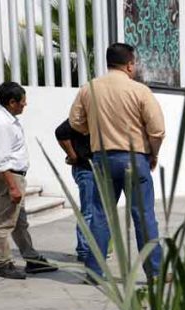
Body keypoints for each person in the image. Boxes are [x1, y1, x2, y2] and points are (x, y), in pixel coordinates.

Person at [69, 43, 165, 281]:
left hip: (102, 159)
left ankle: (94, 272)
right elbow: (157, 130)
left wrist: (93, 129)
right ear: (130, 65)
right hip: (135, 158)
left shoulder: (88, 89)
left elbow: (75, 121)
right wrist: (153, 154)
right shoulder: (140, 90)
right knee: (144, 216)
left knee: (100, 215)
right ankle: (155, 272)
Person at [0, 82, 57, 279]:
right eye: (22, 101)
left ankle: (32, 258)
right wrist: (13, 187)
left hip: (11, 175)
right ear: (12, 102)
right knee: (4, 223)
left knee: (19, 221)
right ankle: (3, 264)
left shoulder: (2, 117)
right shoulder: (2, 124)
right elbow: (1, 160)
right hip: (8, 176)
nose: (25, 104)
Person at [54, 119, 94, 263]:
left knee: (98, 212)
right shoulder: (83, 115)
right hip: (86, 168)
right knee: (88, 211)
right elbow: (61, 132)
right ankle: (84, 251)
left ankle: (97, 248)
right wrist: (73, 155)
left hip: (98, 169)